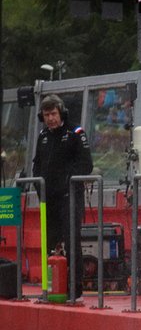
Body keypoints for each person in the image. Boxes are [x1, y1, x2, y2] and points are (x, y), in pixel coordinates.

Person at [31, 94, 93, 293]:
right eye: (47, 115)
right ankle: (51, 287)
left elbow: (86, 165)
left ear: (61, 113)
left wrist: (68, 181)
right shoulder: (43, 136)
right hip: (48, 200)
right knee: (49, 242)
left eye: (53, 114)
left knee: (71, 240)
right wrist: (40, 189)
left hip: (70, 197)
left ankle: (75, 286)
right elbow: (36, 166)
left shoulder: (76, 132)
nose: (50, 118)